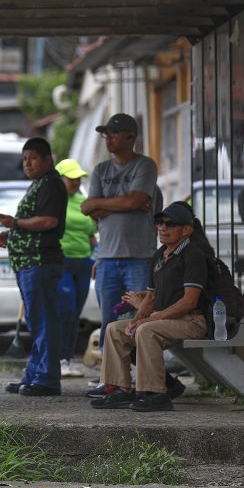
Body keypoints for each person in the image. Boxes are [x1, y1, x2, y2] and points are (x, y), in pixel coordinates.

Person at [90, 202, 208, 412]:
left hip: (191, 320)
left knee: (146, 330)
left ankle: (155, 393)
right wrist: (136, 320)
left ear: (186, 229)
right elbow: (151, 296)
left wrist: (149, 319)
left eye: (170, 224)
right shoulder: (159, 255)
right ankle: (120, 388)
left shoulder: (193, 254)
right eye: (160, 223)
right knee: (115, 329)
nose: (162, 228)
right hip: (165, 319)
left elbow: (189, 301)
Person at [80, 113, 159, 397]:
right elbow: (87, 208)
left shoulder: (145, 165)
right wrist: (125, 203)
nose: (108, 139)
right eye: (105, 134)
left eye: (113, 134)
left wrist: (105, 204)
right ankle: (111, 379)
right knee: (108, 321)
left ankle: (145, 378)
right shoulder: (101, 169)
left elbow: (137, 200)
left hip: (139, 256)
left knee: (140, 319)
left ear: (130, 136)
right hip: (107, 258)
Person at [0, 137, 68, 396]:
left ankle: (47, 379)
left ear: (48, 160)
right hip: (28, 263)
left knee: (44, 321)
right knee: (37, 322)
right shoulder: (39, 184)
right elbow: (33, 223)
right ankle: (34, 375)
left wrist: (15, 224)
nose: (27, 163)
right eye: (24, 158)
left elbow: (48, 221)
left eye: (33, 158)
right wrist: (12, 234)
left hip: (40, 262)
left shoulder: (51, 184)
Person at [55, 158, 97, 378]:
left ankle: (68, 360)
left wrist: (97, 257)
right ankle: (58, 358)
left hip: (83, 263)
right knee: (66, 311)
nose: (75, 182)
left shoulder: (84, 202)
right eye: (70, 178)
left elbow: (91, 235)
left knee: (75, 315)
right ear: (59, 178)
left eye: (78, 178)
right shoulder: (53, 202)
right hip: (60, 262)